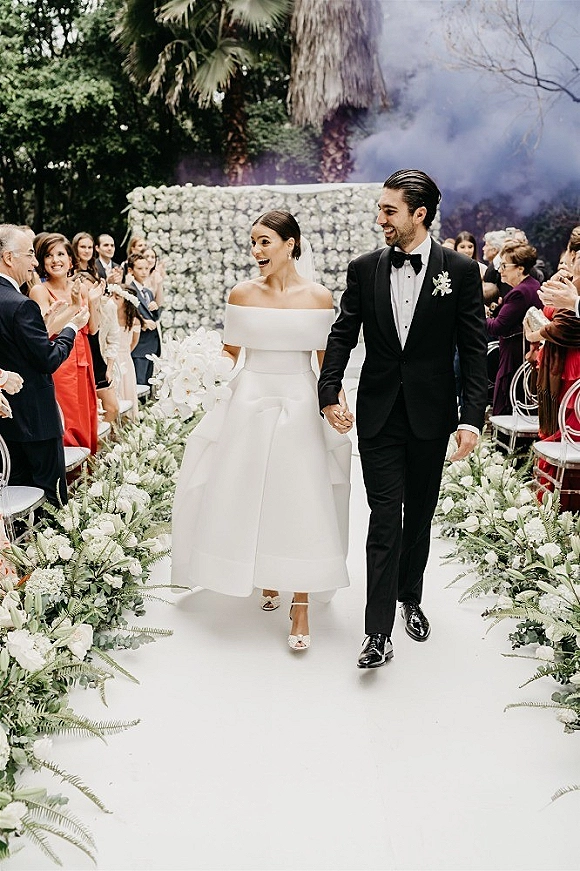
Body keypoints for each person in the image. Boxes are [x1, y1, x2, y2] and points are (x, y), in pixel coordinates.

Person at [318, 169, 488, 669]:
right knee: (384, 517)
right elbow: (343, 333)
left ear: (420, 213)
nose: (380, 219)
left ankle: (410, 595)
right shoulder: (364, 268)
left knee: (419, 516)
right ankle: (377, 633)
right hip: (378, 415)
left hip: (432, 416)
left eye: (389, 210)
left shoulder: (460, 271)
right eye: (380, 208)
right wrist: (329, 391)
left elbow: (473, 351)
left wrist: (470, 419)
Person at [172, 210, 351, 651]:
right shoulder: (242, 293)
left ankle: (301, 601)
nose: (256, 250)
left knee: (302, 495)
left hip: (300, 400)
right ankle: (266, 574)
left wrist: (337, 404)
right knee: (250, 490)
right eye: (253, 242)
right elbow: (230, 354)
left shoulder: (319, 297)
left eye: (264, 241)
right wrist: (198, 369)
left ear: (291, 244)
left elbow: (326, 363)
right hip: (250, 399)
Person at [0, 224, 89, 505]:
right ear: (9, 258)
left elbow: (16, 348)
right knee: (51, 497)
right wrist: (71, 328)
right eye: (30, 254)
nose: (35, 262)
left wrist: (45, 324)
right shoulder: (20, 304)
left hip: (7, 420)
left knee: (16, 493)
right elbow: (48, 359)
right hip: (36, 419)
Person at [30, 234, 100, 454]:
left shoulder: (81, 287)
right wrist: (73, 307)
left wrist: (94, 301)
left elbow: (93, 328)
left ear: (70, 260)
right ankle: (66, 469)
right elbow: (47, 330)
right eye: (48, 255)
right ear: (42, 261)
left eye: (60, 254)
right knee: (67, 418)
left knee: (86, 414)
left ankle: (88, 471)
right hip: (60, 360)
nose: (55, 260)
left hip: (83, 358)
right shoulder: (40, 291)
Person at [486, 241, 541, 416]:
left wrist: (479, 316)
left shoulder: (520, 293)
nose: (500, 270)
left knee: (509, 405)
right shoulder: (532, 285)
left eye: (504, 266)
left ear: (520, 268)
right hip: (521, 353)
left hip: (515, 356)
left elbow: (497, 327)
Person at [125, 253, 161, 386]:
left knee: (149, 384)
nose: (144, 272)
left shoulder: (148, 292)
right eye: (140, 269)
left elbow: (155, 317)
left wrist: (155, 309)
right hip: (139, 346)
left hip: (152, 345)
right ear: (131, 270)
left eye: (146, 268)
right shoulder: (128, 291)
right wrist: (143, 322)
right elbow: (126, 315)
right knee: (139, 385)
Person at [111, 285, 142, 419]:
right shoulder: (109, 317)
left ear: (126, 302)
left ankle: (129, 420)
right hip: (111, 358)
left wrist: (124, 353)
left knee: (127, 388)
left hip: (125, 358)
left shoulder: (134, 321)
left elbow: (134, 342)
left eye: (117, 297)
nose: (112, 300)